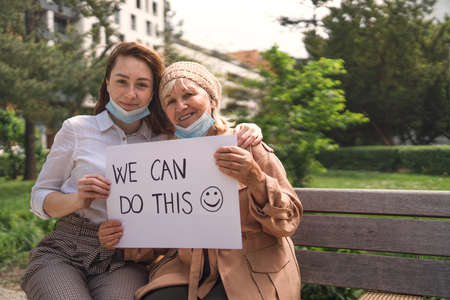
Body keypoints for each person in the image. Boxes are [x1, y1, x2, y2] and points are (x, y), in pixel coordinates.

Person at [21, 43, 263, 300]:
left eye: (142, 85)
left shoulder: (167, 142)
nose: (130, 94)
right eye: (122, 81)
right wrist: (77, 200)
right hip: (66, 247)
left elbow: (210, 134)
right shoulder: (76, 129)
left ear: (154, 93)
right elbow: (39, 197)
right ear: (107, 84)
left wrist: (249, 128)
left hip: (126, 257)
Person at [98, 61, 303, 300]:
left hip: (253, 272)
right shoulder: (166, 162)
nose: (181, 106)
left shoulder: (247, 145)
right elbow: (155, 239)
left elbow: (288, 222)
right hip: (189, 273)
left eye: (189, 94)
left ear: (213, 100)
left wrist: (255, 178)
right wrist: (120, 237)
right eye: (170, 102)